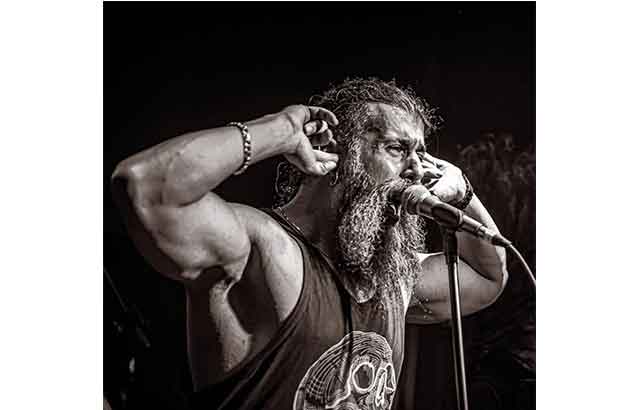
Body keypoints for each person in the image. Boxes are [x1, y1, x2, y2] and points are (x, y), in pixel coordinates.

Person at [111, 78, 508, 410]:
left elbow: (487, 276)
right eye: (397, 148)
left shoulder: (393, 279)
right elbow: (145, 186)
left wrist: (464, 193)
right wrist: (278, 131)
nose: (418, 170)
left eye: (421, 153)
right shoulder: (264, 249)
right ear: (333, 150)